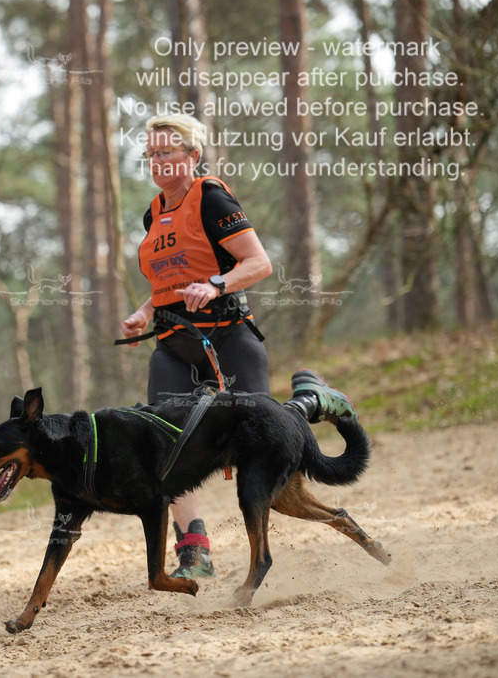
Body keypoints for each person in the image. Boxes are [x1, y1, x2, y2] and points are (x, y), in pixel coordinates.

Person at [119, 113, 358, 579]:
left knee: (262, 436)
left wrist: (216, 284)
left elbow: (259, 263)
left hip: (227, 337)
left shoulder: (211, 198)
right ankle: (194, 549)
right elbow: (169, 277)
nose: (156, 161)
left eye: (166, 152)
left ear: (193, 155)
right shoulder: (153, 212)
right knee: (164, 442)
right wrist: (145, 311)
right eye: (150, 154)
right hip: (172, 345)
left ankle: (316, 400)